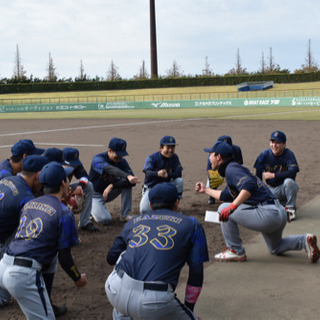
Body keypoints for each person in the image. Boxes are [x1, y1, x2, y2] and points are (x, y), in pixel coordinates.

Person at [195, 141, 320, 263]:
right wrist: (205, 189)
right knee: (275, 247)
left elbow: (248, 186)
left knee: (223, 209)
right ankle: (304, 240)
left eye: (210, 154)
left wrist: (232, 207)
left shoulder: (231, 169)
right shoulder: (235, 170)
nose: (209, 157)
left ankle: (235, 251)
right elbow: (224, 195)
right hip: (278, 213)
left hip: (268, 214)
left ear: (219, 157)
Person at [105, 182, 209, 320]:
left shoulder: (133, 221)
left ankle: (123, 314)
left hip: (115, 290)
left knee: (125, 253)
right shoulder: (192, 224)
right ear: (176, 203)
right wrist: (188, 311)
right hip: (156, 302)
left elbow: (111, 258)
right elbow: (196, 272)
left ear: (150, 205)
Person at [0, 162, 87, 319]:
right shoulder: (64, 213)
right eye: (67, 178)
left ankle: (46, 304)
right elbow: (65, 257)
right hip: (22, 274)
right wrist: (77, 278)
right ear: (63, 183)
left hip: (4, 264)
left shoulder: (30, 202)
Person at [0, 155, 49, 308]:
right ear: (38, 175)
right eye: (44, 179)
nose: (44, 184)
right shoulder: (25, 198)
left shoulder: (8, 179)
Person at [88, 137, 140, 225]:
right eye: (118, 154)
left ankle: (125, 215)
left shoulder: (122, 162)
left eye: (122, 154)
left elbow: (132, 181)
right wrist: (127, 175)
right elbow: (109, 169)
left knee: (129, 183)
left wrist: (112, 186)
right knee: (105, 220)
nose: (120, 157)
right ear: (110, 150)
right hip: (94, 195)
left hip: (109, 192)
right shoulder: (98, 159)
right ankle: (89, 208)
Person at [254, 130, 299, 221]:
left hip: (285, 188)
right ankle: (281, 204)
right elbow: (258, 175)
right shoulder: (264, 154)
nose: (274, 145)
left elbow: (293, 172)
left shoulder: (289, 154)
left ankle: (290, 209)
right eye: (272, 142)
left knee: (289, 182)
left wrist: (274, 175)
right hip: (272, 190)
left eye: (278, 142)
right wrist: (258, 192)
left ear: (284, 144)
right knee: (263, 205)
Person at [139, 135, 183, 214]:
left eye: (172, 147)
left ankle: (174, 206)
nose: (170, 150)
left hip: (166, 186)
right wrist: (157, 173)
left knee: (179, 181)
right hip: (151, 187)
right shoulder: (152, 158)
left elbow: (179, 173)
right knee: (144, 210)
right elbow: (148, 173)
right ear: (161, 148)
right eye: (168, 147)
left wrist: (168, 175)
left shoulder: (174, 157)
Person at [62, 147, 99, 232]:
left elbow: (85, 176)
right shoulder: (54, 168)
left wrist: (80, 186)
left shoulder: (76, 165)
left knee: (88, 185)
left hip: (65, 188)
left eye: (75, 164)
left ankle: (84, 222)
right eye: (71, 165)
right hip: (51, 193)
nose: (74, 167)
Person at [206, 135, 243, 205]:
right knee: (213, 180)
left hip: (231, 170)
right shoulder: (213, 154)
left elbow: (239, 165)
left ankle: (234, 196)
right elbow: (210, 169)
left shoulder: (237, 150)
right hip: (218, 170)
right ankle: (212, 196)